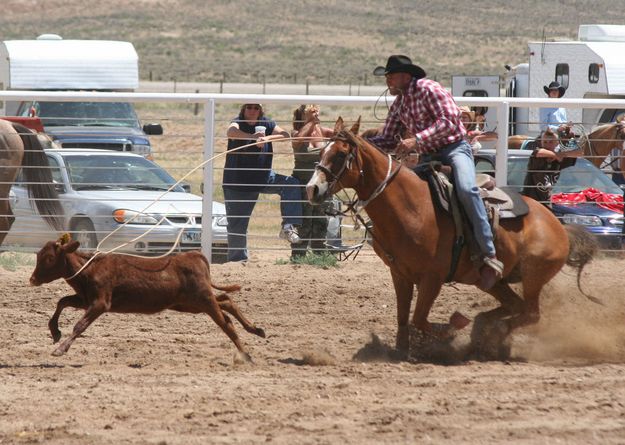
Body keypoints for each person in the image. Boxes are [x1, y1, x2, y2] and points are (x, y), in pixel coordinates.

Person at [367, 54, 503, 290]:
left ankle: (488, 253)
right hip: (428, 157)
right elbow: (388, 138)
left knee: (467, 189)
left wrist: (416, 139)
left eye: (390, 75)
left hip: (454, 149)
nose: (387, 80)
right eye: (386, 76)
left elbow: (449, 121)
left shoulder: (430, 89)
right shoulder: (399, 104)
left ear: (405, 76)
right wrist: (361, 145)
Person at [222, 103, 303, 262]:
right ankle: (238, 260)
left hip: (263, 177)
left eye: (256, 108)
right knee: (237, 224)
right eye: (249, 107)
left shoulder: (267, 123)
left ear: (260, 111)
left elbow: (285, 134)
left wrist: (266, 138)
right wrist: (252, 138)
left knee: (291, 184)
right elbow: (231, 132)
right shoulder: (238, 122)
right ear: (243, 110)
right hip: (239, 182)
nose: (252, 111)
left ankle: (288, 226)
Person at [290, 104, 335, 257]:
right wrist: (310, 123)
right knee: (304, 219)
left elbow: (340, 135)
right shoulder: (296, 131)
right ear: (302, 115)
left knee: (321, 219)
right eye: (310, 112)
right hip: (303, 182)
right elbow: (297, 141)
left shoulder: (322, 131)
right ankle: (298, 255)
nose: (315, 114)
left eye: (316, 111)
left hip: (322, 183)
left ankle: (319, 253)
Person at [521, 128, 582, 206]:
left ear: (557, 143)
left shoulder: (559, 159)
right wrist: (556, 155)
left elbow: (579, 153)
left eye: (551, 142)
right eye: (545, 142)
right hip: (531, 201)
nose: (547, 144)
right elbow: (539, 152)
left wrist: (570, 138)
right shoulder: (537, 157)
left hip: (546, 202)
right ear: (541, 143)